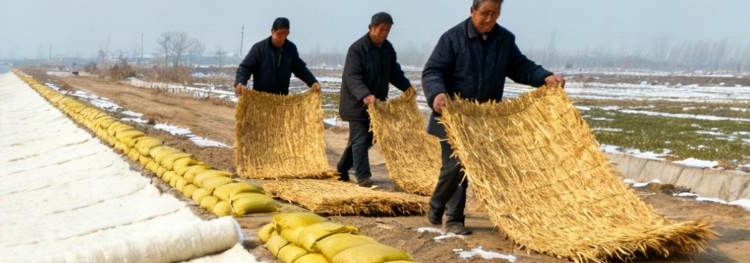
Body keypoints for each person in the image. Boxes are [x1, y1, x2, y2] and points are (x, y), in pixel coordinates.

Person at [422, 0, 563, 234]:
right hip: (453, 115)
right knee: (456, 165)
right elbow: (433, 70)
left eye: (494, 14)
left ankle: (440, 206)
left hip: (484, 119)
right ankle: (453, 217)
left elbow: (521, 67)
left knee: (466, 167)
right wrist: (437, 94)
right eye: (484, 13)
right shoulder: (452, 38)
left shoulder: (504, 40)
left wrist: (544, 77)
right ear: (472, 11)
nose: (489, 19)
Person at [338, 12, 412, 186]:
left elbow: (394, 72)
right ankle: (363, 177)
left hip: (376, 105)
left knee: (366, 139)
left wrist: (407, 88)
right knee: (361, 138)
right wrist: (364, 95)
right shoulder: (357, 49)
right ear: (371, 28)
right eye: (381, 29)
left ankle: (342, 169)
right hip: (356, 104)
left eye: (387, 30)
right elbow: (352, 76)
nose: (384, 33)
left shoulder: (387, 49)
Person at [234, 18, 321, 97]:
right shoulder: (259, 48)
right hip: (260, 100)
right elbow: (245, 67)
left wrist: (313, 82)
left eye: (285, 34)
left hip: (281, 101)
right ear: (272, 31)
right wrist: (240, 82)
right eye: (279, 34)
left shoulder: (290, 49)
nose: (282, 38)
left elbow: (300, 69)